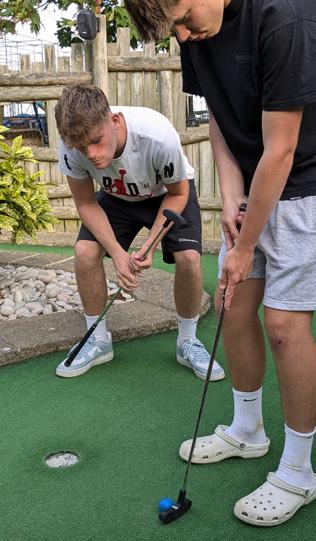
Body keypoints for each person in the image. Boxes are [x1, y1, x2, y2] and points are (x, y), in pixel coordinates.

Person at [125, 0, 316, 526]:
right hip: (257, 175)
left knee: (283, 324)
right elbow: (218, 115)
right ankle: (247, 430)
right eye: (173, 30)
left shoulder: (287, 18)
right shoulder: (194, 28)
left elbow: (282, 150)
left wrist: (243, 245)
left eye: (183, 19)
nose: (183, 36)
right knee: (232, 305)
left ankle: (298, 472)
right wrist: (232, 193)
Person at [54, 84, 224, 382]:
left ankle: (187, 341)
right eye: (82, 147)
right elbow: (86, 203)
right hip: (117, 195)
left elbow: (178, 193)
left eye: (96, 141)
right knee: (85, 252)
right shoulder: (71, 146)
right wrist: (119, 255)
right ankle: (98, 340)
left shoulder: (157, 135)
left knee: (188, 258)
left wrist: (149, 245)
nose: (91, 154)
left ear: (114, 121)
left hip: (166, 193)